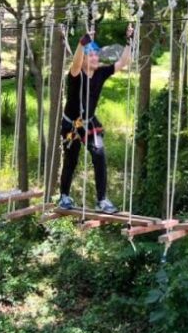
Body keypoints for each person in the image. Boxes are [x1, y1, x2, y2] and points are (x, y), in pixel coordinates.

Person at [57, 27, 133, 214]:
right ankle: (64, 195)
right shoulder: (76, 76)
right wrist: (82, 44)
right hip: (71, 124)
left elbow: (124, 61)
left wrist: (130, 40)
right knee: (71, 159)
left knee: (99, 155)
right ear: (83, 59)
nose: (95, 58)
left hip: (89, 123)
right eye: (90, 56)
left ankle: (102, 200)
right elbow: (74, 65)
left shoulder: (100, 73)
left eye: (96, 55)